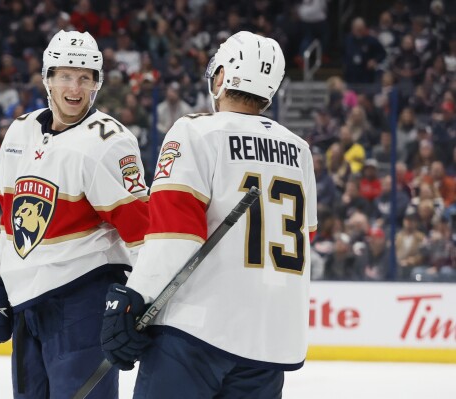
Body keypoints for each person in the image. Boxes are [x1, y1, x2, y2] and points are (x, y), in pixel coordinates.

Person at [101, 31, 318, 398]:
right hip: (269, 342)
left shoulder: (197, 131)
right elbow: (305, 236)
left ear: (222, 76)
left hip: (196, 333)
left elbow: (173, 234)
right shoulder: (300, 151)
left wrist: (136, 297)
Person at [0, 30, 149, 399]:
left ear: (97, 84)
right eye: (66, 75)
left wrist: (140, 297)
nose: (75, 87)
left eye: (85, 78)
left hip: (83, 301)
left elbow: (141, 232)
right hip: (27, 305)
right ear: (47, 79)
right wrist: (0, 279)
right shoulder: (20, 132)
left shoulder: (110, 142)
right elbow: (10, 223)